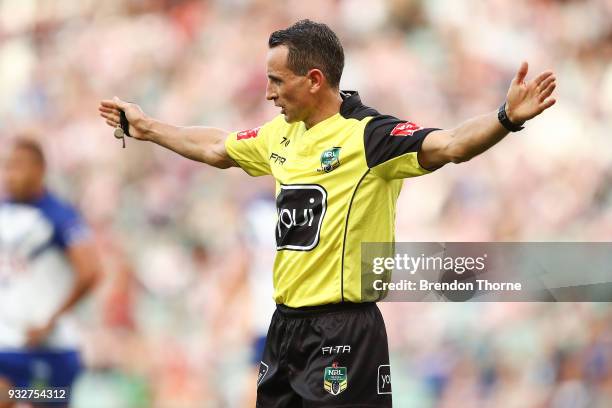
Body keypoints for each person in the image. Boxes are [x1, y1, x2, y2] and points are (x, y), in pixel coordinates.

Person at [99, 19, 556, 407]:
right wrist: (148, 128)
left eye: (277, 81)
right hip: (284, 327)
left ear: (314, 79)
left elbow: (451, 144)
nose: (268, 93)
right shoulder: (282, 134)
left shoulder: (370, 136)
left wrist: (505, 118)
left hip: (345, 328)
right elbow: (217, 147)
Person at [0, 138, 100, 408]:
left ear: (39, 169)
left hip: (50, 350)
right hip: (8, 343)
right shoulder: (4, 211)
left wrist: (50, 320)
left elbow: (91, 271)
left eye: (17, 167)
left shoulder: (59, 216)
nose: (9, 175)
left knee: (46, 400)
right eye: (6, 167)